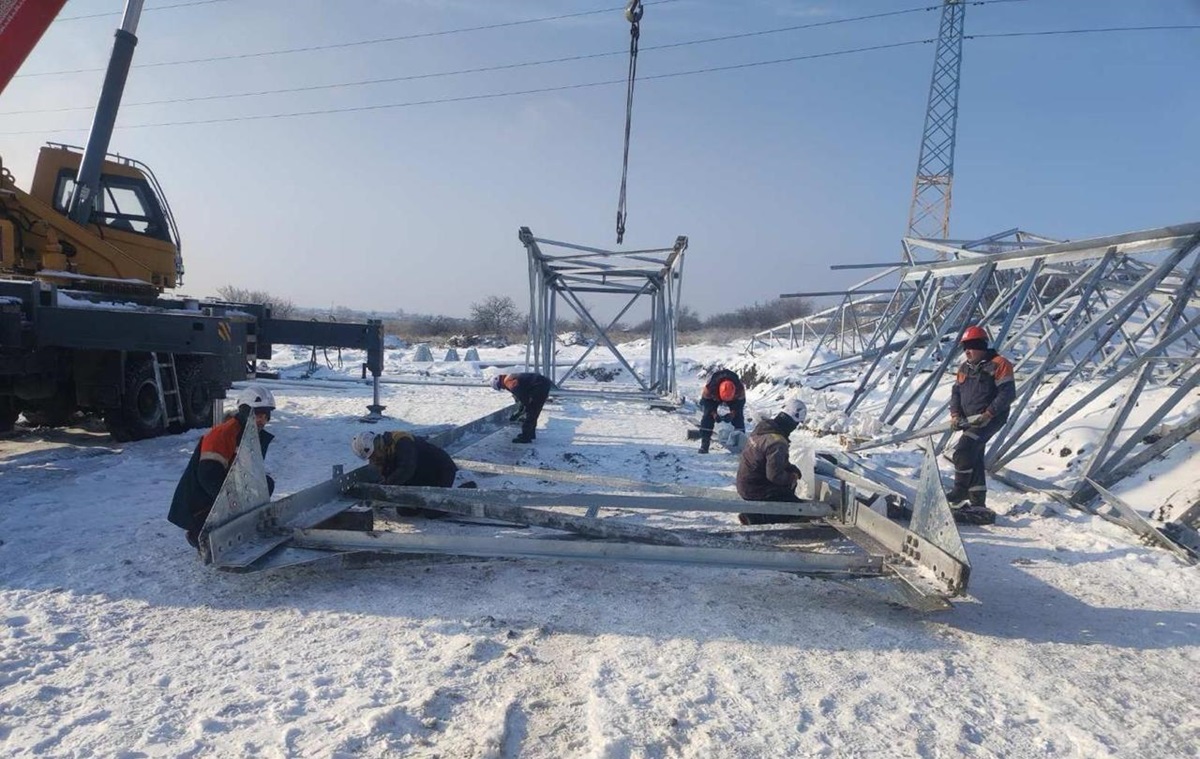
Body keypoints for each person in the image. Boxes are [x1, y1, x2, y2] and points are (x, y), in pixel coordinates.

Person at [168, 384, 277, 549]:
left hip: (229, 489)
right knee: (214, 529)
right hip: (200, 501)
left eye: (266, 417)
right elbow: (208, 476)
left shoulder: (251, 436)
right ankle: (199, 532)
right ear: (246, 412)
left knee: (266, 484)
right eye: (258, 415)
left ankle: (242, 524)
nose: (263, 421)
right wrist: (233, 504)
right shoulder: (223, 434)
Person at [947, 325, 1016, 525]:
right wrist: (955, 414)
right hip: (970, 419)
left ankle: (960, 490)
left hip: (991, 418)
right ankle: (978, 501)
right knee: (974, 455)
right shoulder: (964, 368)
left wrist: (989, 413)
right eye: (965, 348)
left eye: (971, 347)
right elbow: (956, 393)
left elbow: (1007, 394)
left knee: (963, 450)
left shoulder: (999, 364)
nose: (967, 352)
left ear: (981, 346)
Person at [735, 398, 808, 525]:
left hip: (745, 483)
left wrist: (789, 467)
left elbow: (768, 460)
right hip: (755, 489)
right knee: (795, 508)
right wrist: (791, 477)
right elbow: (775, 476)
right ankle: (755, 517)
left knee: (788, 491)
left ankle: (760, 512)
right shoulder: (777, 442)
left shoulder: (763, 429)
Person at [351, 430, 462, 488]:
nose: (375, 460)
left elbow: (406, 469)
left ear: (377, 445)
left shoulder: (402, 441)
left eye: (374, 456)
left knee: (432, 511)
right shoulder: (385, 452)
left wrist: (385, 486)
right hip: (421, 474)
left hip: (441, 470)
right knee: (406, 510)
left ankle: (462, 489)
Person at [491, 372, 553, 444]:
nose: (503, 388)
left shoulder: (509, 382)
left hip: (539, 386)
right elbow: (520, 393)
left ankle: (525, 437)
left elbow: (522, 396)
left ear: (499, 383)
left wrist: (521, 411)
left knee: (530, 412)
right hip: (542, 383)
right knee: (534, 411)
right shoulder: (510, 377)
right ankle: (530, 434)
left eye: (500, 387)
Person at [698, 368, 746, 454]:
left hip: (734, 399)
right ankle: (704, 444)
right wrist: (714, 414)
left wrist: (733, 413)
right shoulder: (710, 388)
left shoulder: (740, 389)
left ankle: (741, 443)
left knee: (739, 417)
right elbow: (706, 403)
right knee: (707, 417)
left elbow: (740, 405)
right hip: (714, 397)